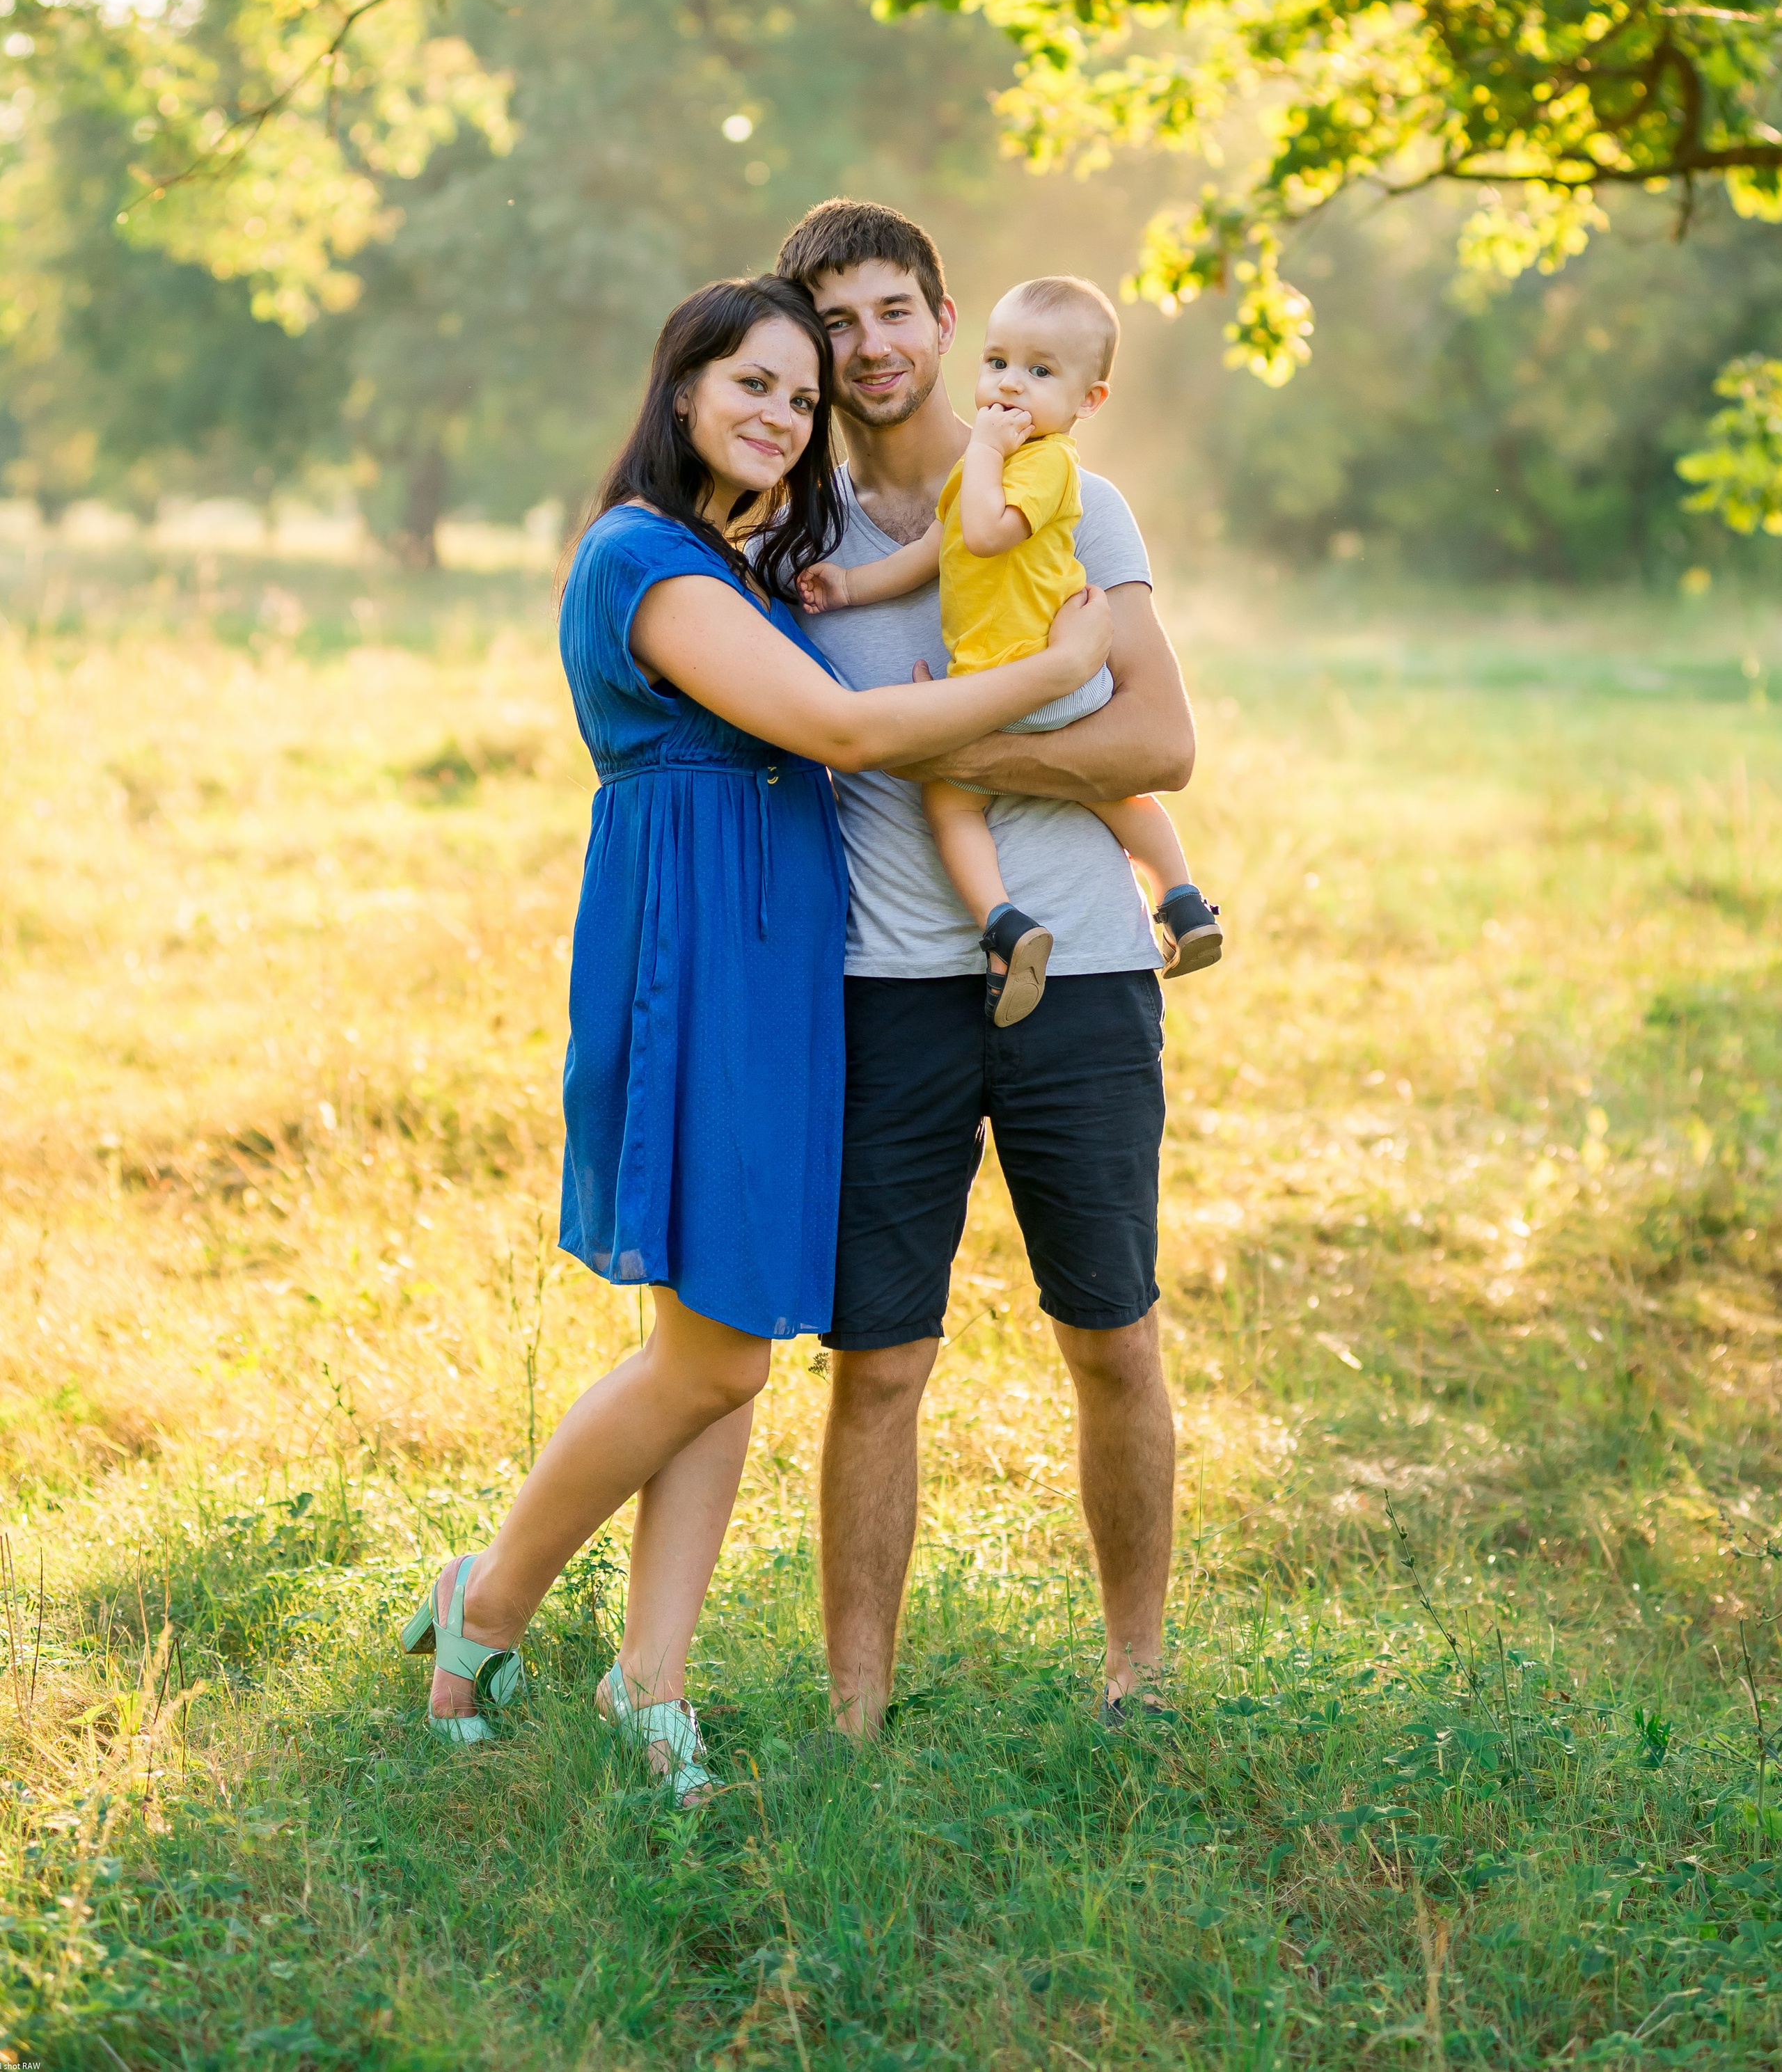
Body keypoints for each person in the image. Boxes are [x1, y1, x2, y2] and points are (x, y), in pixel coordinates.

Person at [397, 274, 1111, 1802]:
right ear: (678, 391)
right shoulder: (648, 560)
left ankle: (650, 1681)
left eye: (801, 397)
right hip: (699, 955)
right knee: (711, 1359)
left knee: (727, 1339)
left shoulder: (740, 557)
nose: (784, 415)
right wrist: (1053, 673)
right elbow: (846, 733)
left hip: (788, 956)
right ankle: (491, 1596)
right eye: (753, 385)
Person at [775, 199, 1198, 1732]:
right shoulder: (790, 534)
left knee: (1110, 1334)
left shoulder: (1074, 497)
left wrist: (973, 743)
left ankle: (1136, 1677)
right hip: (885, 985)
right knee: (875, 1366)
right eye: (832, 321)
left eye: (892, 310)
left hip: (1081, 971)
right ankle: (855, 1716)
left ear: (942, 321)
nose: (867, 345)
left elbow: (1160, 741)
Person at [798, 270, 1222, 1025]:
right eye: (999, 365)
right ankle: (1182, 901)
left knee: (950, 801)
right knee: (1115, 797)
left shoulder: (1047, 465)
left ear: (1087, 402)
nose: (1010, 387)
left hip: (1026, 676)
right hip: (896, 977)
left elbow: (988, 533)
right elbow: (937, 548)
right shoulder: (968, 477)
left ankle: (1003, 921)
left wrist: (988, 450)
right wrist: (850, 588)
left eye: (1039, 372)